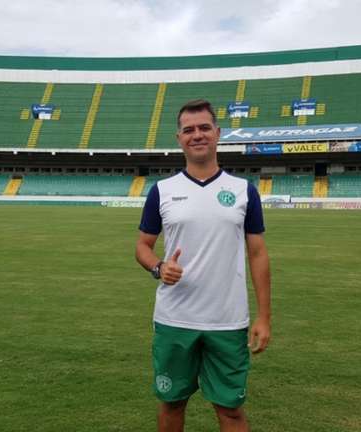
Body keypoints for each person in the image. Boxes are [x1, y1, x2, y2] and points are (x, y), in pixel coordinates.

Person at [135, 99, 271, 432]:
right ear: (179, 137)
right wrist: (158, 267)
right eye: (189, 129)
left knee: (231, 411)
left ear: (217, 133)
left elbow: (258, 254)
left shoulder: (243, 191)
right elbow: (143, 246)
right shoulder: (162, 191)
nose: (197, 135)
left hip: (227, 321)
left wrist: (264, 316)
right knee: (171, 403)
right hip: (174, 320)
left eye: (204, 128)